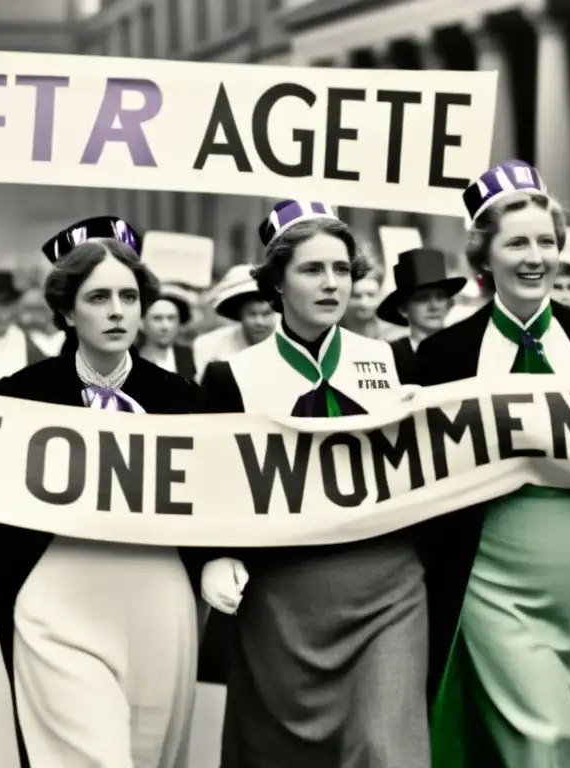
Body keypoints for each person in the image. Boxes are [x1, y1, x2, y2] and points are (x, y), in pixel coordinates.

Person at [416, 161, 570, 767]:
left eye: (547, 242)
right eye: (517, 243)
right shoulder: (443, 354)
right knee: (542, 735)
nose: (535, 257)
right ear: (484, 257)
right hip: (490, 568)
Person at [0, 215, 201, 768]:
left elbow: (217, 500)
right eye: (98, 296)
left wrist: (221, 556)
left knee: (150, 757)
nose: (118, 310)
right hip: (52, 601)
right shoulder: (17, 396)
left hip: (158, 601)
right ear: (68, 311)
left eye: (129, 295)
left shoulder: (184, 400)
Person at [197, 200, 430, 768]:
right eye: (312, 269)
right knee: (279, 753)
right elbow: (211, 483)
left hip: (388, 587)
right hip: (281, 596)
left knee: (387, 747)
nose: (332, 284)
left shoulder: (393, 362)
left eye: (343, 269)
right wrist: (214, 553)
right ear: (276, 281)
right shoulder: (233, 376)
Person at [376, 247, 466, 382]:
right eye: (422, 298)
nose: (434, 306)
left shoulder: (466, 349)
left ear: (448, 305)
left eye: (440, 297)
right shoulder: (389, 356)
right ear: (403, 310)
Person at [192, 263, 277, 381]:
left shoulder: (294, 346)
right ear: (240, 315)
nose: (259, 322)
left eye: (266, 314)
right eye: (252, 314)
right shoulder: (209, 346)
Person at [137, 283, 196, 378]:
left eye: (171, 318)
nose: (165, 326)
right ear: (141, 323)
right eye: (157, 318)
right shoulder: (130, 360)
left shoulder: (190, 357)